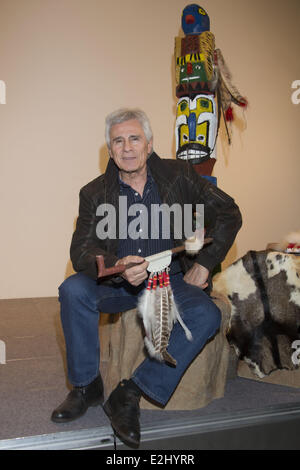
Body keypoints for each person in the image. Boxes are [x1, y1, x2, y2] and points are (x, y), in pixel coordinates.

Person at [51, 108, 242, 448]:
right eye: (118, 141)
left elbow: (228, 211)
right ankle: (85, 386)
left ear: (149, 145)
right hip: (118, 282)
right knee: (72, 290)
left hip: (168, 279)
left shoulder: (179, 174)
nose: (127, 148)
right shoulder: (93, 193)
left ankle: (131, 392)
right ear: (110, 150)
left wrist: (205, 263)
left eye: (134, 139)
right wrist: (117, 263)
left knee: (207, 315)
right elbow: (80, 250)